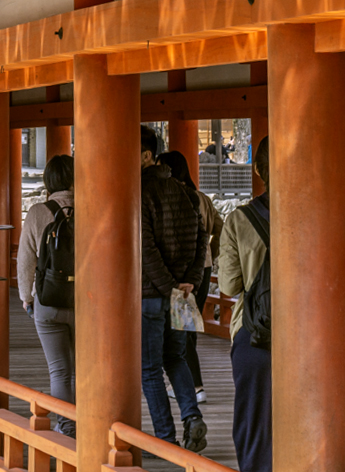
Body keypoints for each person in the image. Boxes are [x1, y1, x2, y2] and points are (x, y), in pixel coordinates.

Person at [139, 125, 207, 453]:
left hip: (152, 294)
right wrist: (188, 282)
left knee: (150, 368)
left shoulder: (139, 193)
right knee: (176, 357)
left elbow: (145, 247)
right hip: (182, 292)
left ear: (147, 155)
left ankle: (166, 440)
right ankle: (192, 417)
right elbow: (201, 239)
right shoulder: (183, 191)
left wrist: (166, 286)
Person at [217, 136, 273, 472]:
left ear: (258, 169)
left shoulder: (240, 220)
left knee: (255, 423)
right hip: (311, 336)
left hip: (256, 334)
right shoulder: (316, 213)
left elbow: (229, 285)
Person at [18, 153, 75, 436]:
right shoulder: (91, 207)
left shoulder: (39, 212)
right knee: (88, 368)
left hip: (48, 301)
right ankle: (96, 421)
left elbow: (26, 260)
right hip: (85, 303)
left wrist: (27, 298)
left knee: (60, 371)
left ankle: (66, 427)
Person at [160, 150, 221, 404]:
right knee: (188, 324)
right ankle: (189, 383)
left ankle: (194, 386)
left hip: (184, 270)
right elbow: (220, 228)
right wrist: (210, 252)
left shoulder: (174, 197)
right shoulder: (202, 198)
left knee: (183, 326)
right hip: (203, 268)